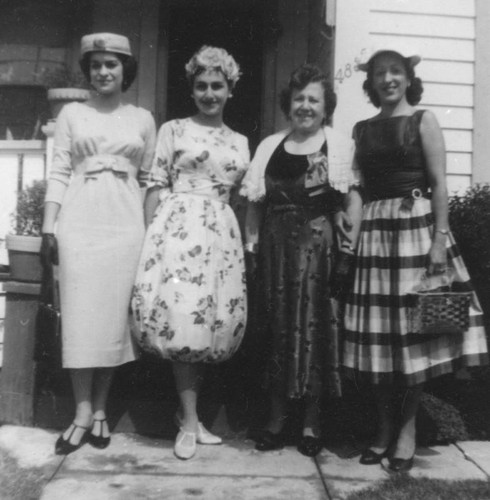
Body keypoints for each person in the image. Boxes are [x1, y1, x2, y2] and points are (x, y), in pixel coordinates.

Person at [338, 47, 488, 472]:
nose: (388, 79)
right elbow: (356, 186)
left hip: (416, 230)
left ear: (408, 78)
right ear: (371, 82)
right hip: (376, 233)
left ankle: (406, 432)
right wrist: (350, 229)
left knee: (414, 336)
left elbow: (440, 184)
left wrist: (439, 240)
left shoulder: (424, 120)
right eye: (380, 73)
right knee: (381, 339)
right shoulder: (362, 129)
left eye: (396, 72)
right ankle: (383, 430)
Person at [131, 46, 249, 460]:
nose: (209, 93)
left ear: (230, 89)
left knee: (209, 325)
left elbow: (244, 198)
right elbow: (155, 183)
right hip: (179, 232)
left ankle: (193, 419)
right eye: (201, 85)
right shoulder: (174, 130)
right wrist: (151, 239)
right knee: (182, 323)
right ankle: (189, 420)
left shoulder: (240, 141)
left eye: (218, 85)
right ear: (192, 88)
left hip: (221, 238)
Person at [41, 32, 156, 455]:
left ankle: (102, 410)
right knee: (81, 320)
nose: (103, 71)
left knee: (111, 323)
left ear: (126, 69)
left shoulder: (143, 118)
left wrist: (151, 235)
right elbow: (58, 172)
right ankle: (81, 412)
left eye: (112, 64)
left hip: (125, 227)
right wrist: (49, 229)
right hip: (80, 222)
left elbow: (149, 183)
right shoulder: (73, 113)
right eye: (96, 64)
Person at [241, 64, 356, 457]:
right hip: (276, 252)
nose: (305, 106)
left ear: (326, 107)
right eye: (299, 98)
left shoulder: (338, 145)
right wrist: (251, 249)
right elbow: (255, 204)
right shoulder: (270, 146)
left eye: (314, 99)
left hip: (318, 251)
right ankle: (276, 419)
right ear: (288, 104)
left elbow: (347, 199)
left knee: (314, 329)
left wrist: (348, 241)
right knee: (277, 327)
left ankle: (311, 421)